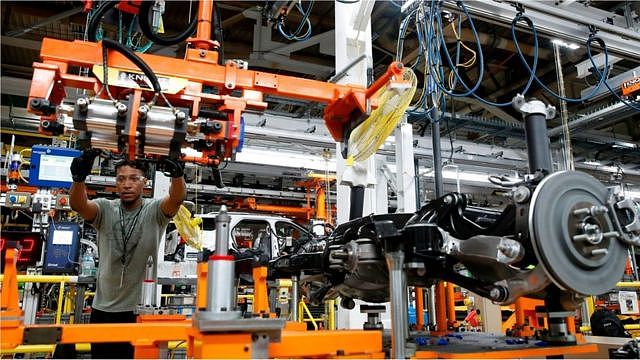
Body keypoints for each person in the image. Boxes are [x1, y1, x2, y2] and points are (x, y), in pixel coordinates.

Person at [69, 150, 186, 359]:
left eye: (134, 178)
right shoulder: (105, 208)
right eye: (121, 179)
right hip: (103, 310)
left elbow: (177, 198)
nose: (127, 184)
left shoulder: (155, 211)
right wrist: (78, 179)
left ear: (145, 182)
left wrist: (177, 175)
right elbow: (79, 205)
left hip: (138, 311)